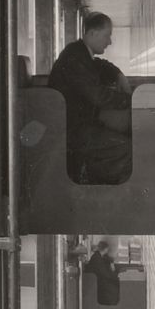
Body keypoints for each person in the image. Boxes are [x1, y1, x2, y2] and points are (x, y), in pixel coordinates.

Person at [47, 12, 133, 184]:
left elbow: (100, 65)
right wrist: (129, 100)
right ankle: (95, 187)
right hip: (72, 130)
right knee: (125, 147)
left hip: (74, 125)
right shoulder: (75, 57)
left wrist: (118, 74)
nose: (109, 42)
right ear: (93, 33)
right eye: (107, 35)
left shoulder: (79, 53)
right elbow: (98, 96)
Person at [83, 236, 122, 307]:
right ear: (105, 249)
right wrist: (115, 276)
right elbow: (105, 273)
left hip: (98, 279)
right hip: (97, 282)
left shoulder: (98, 256)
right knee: (114, 286)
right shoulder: (98, 259)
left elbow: (106, 264)